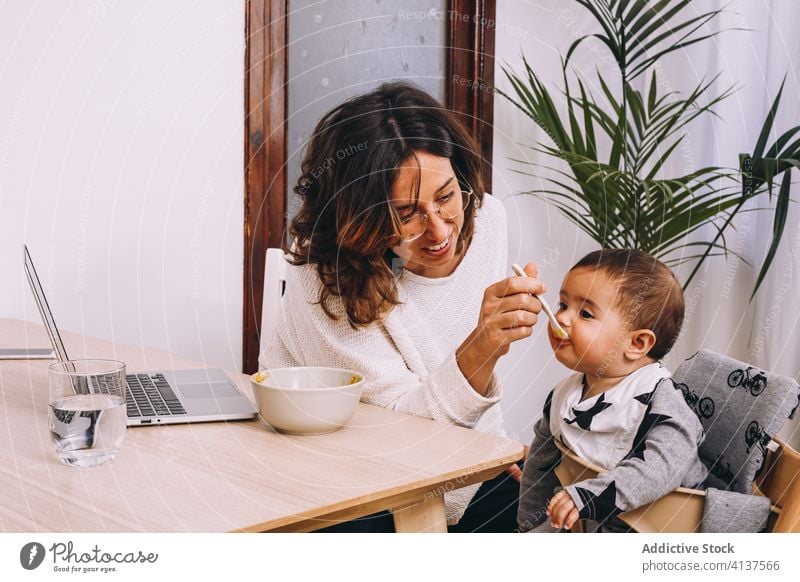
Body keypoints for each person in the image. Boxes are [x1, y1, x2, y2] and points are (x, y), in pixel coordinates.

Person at [260, 81, 545, 532]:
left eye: (447, 196)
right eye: (406, 213)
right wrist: (484, 343)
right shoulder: (324, 274)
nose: (439, 232)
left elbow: (469, 403)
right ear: (358, 216)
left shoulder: (486, 220)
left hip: (463, 464)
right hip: (347, 479)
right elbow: (403, 436)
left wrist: (501, 448)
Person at [517, 249, 708, 533]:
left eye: (585, 313)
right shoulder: (563, 397)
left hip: (661, 530)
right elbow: (539, 469)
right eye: (562, 304)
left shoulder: (659, 402)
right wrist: (526, 527)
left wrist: (588, 495)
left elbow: (662, 467)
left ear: (637, 343)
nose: (563, 318)